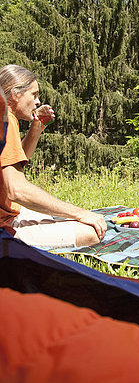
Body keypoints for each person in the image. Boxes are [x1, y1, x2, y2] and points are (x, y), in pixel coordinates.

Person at [0, 64, 107, 249]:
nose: (37, 101)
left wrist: (36, 126)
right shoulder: (5, 121)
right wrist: (80, 213)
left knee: (48, 215)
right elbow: (16, 190)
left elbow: (13, 163)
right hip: (4, 226)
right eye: (33, 94)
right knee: (91, 233)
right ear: (16, 94)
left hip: (8, 212)